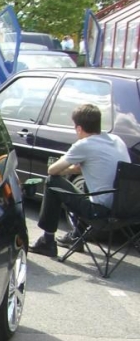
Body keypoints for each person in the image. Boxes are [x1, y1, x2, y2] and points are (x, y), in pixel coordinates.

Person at [29, 104, 130, 257]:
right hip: (126, 211)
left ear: (79, 128)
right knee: (89, 182)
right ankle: (76, 236)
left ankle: (47, 241)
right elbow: (102, 169)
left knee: (52, 182)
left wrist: (70, 169)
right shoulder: (117, 140)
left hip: (101, 214)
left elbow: (52, 170)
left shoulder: (84, 145)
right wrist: (81, 167)